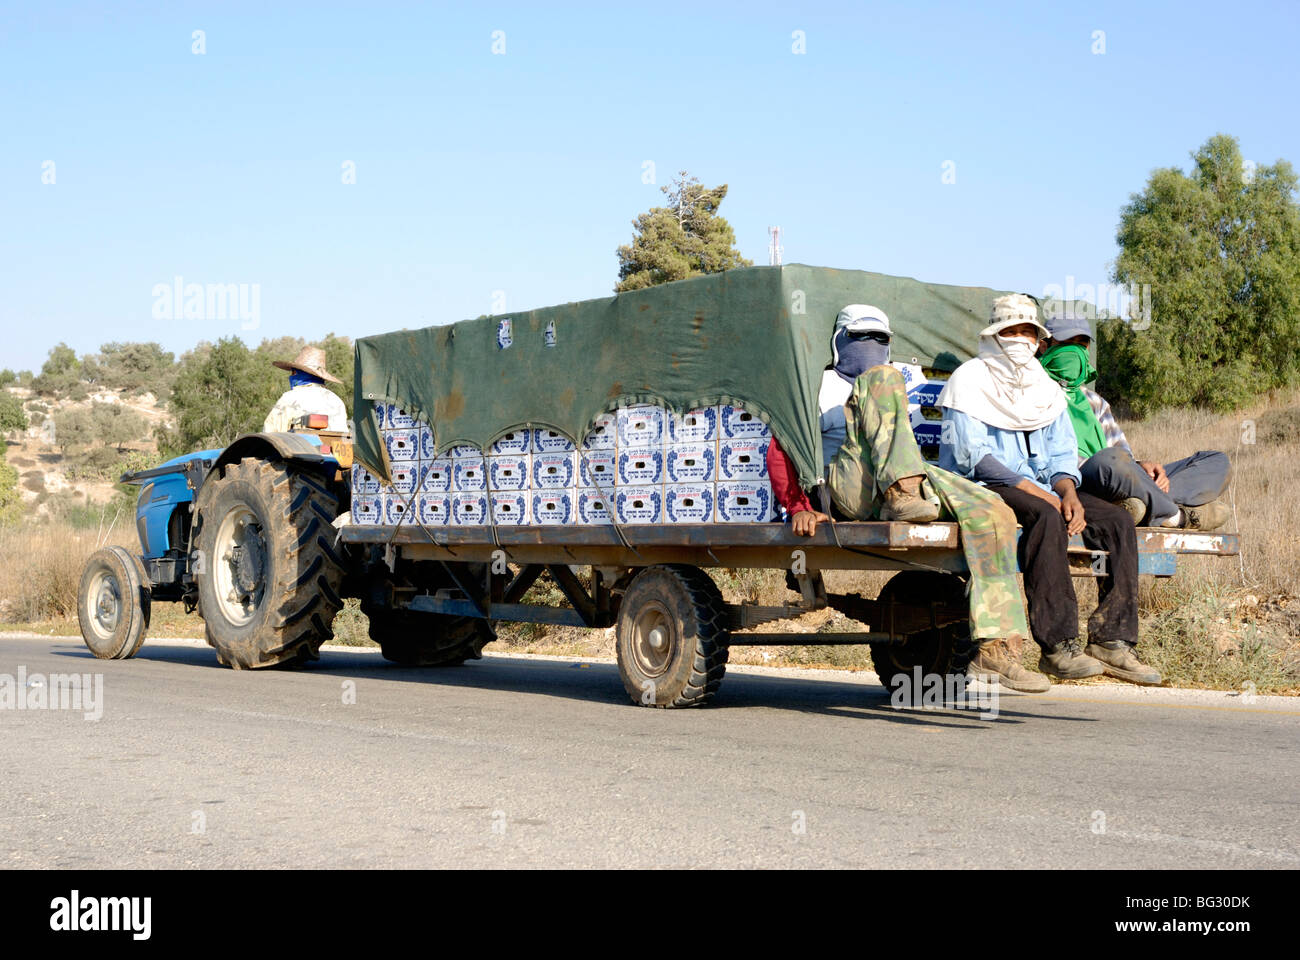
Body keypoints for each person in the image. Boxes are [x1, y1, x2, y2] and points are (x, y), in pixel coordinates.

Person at [766, 304, 1049, 693]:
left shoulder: (899, 386)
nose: (871, 346)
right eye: (861, 338)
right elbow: (779, 450)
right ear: (838, 341)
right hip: (846, 491)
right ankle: (901, 491)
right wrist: (799, 506)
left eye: (880, 339)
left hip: (904, 480)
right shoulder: (818, 386)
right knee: (881, 380)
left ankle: (997, 648)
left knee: (993, 511)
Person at [938, 294, 1160, 685]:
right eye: (1012, 331)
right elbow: (972, 455)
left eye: (1028, 331)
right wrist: (1041, 494)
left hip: (1044, 485)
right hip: (987, 484)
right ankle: (1057, 646)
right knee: (1046, 518)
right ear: (995, 335)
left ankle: (1112, 640)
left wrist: (1068, 492)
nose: (1020, 339)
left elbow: (1061, 452)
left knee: (1116, 521)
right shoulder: (970, 379)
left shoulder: (1043, 386)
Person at [1037, 312, 1231, 530]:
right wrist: (1122, 467)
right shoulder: (1034, 393)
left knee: (1216, 460)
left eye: (1081, 343)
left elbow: (1122, 455)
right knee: (1107, 460)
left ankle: (1140, 505)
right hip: (1079, 482)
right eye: (1066, 343)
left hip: (1120, 477)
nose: (1074, 351)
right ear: (1045, 346)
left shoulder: (1094, 401)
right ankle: (1177, 518)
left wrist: (1141, 468)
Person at [263, 346, 348, 434]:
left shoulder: (290, 397)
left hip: (299, 447)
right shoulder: (336, 400)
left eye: (293, 372)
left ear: (297, 374)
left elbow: (271, 430)